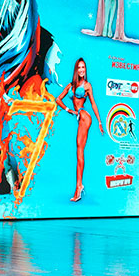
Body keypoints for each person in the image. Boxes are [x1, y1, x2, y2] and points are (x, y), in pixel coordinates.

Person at [56, 58, 104, 202]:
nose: (82, 70)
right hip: (79, 116)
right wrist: (69, 110)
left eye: (83, 67)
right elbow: (58, 99)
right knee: (79, 152)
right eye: (79, 67)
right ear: (76, 70)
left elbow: (93, 103)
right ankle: (79, 186)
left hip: (85, 117)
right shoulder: (71, 85)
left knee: (79, 152)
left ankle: (78, 188)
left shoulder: (87, 85)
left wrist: (99, 122)